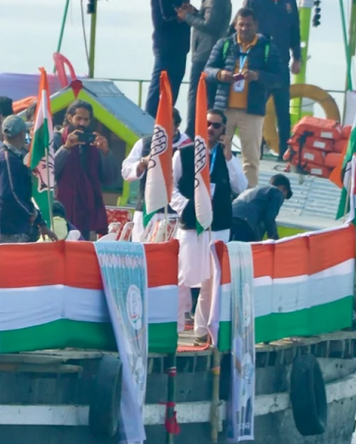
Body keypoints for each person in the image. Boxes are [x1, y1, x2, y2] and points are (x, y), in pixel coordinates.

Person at [170, 108, 247, 342]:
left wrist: (228, 157)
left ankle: (202, 331)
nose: (211, 129)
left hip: (219, 224)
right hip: (191, 224)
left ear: (224, 129)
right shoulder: (183, 154)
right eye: (207, 124)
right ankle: (173, 327)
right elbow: (170, 186)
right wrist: (185, 206)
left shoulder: (227, 157)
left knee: (211, 281)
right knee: (183, 276)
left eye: (216, 126)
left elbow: (241, 186)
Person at [205, 8, 284, 188]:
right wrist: (219, 74)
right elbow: (207, 71)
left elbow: (279, 79)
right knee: (216, 151)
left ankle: (247, 196)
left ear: (256, 25)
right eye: (241, 25)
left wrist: (258, 76)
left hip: (252, 111)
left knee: (251, 157)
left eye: (248, 25)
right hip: (224, 110)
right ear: (235, 25)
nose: (244, 28)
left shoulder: (267, 48)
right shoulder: (224, 45)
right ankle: (216, 188)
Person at [243, 0, 302, 158]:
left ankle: (285, 153)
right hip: (259, 65)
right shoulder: (253, 0)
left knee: (283, 112)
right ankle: (255, 152)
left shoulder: (289, 0)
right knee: (257, 110)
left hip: (281, 64)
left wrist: (297, 57)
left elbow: (295, 30)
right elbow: (241, 28)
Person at [177, 0, 233, 137]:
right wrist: (195, 12)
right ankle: (199, 131)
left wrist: (187, 17)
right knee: (204, 95)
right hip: (206, 53)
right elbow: (209, 20)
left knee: (197, 95)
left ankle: (193, 132)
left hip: (205, 55)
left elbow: (210, 25)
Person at [121, 108, 190, 241]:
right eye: (160, 125)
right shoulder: (145, 143)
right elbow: (126, 171)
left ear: (176, 126)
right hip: (146, 211)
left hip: (174, 213)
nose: (162, 129)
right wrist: (142, 163)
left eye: (167, 125)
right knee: (142, 254)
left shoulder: (188, 147)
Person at [52, 100, 110, 239]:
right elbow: (49, 171)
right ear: (69, 118)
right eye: (78, 118)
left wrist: (106, 153)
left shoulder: (92, 144)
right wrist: (66, 148)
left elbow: (109, 177)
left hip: (85, 210)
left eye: (86, 119)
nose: (82, 123)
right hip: (60, 207)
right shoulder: (56, 139)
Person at [0, 115, 52, 243]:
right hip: (11, 229)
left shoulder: (9, 157)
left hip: (12, 227)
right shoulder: (7, 159)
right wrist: (31, 214)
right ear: (22, 133)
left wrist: (40, 222)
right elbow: (10, 194)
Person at [147, 0, 191, 117]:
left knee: (175, 83)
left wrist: (189, 15)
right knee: (158, 85)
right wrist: (180, 18)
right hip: (165, 47)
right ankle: (149, 119)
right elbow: (161, 20)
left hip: (181, 47)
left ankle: (167, 117)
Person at [231, 173, 292, 242]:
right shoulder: (277, 192)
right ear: (282, 188)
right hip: (244, 222)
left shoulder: (253, 190)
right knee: (241, 251)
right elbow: (269, 218)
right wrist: (275, 240)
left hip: (228, 217)